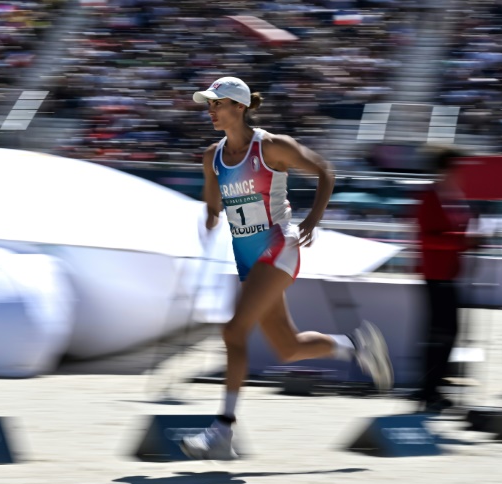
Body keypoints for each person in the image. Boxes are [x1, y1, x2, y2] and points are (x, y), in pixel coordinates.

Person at [180, 77, 394, 460]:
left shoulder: (271, 146)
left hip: (278, 247)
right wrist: (210, 216)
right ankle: (356, 347)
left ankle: (222, 430)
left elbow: (325, 171)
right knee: (287, 347)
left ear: (240, 107)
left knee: (233, 329)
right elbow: (212, 202)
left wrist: (313, 219)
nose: (210, 110)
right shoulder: (211, 156)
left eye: (217, 103)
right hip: (247, 257)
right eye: (208, 104)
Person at [413, 145, 480, 413]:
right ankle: (429, 391)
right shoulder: (431, 196)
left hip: (448, 274)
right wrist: (464, 240)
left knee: (446, 334)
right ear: (446, 168)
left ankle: (433, 389)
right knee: (441, 335)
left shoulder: (451, 196)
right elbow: (428, 238)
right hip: (436, 275)